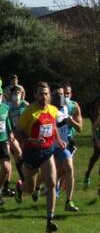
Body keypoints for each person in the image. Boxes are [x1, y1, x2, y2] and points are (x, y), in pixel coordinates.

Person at [14, 82, 66, 232]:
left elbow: (53, 125)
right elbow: (17, 133)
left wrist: (58, 139)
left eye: (46, 93)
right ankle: (20, 187)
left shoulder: (53, 109)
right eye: (40, 94)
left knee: (50, 183)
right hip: (31, 152)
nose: (44, 96)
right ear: (35, 95)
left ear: (50, 95)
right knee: (29, 189)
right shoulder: (29, 112)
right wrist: (32, 140)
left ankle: (50, 220)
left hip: (47, 151)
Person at [51, 84, 82, 212]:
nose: (61, 97)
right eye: (58, 94)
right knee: (50, 175)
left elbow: (80, 128)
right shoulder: (48, 109)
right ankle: (35, 188)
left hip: (63, 146)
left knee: (69, 169)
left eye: (62, 94)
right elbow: (54, 125)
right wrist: (64, 122)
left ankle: (68, 201)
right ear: (52, 96)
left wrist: (71, 121)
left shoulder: (68, 108)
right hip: (48, 146)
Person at [6, 85, 29, 195]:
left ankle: (25, 180)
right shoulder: (7, 105)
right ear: (11, 95)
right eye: (15, 93)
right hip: (12, 133)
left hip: (23, 134)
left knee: (22, 157)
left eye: (19, 93)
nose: (17, 95)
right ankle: (24, 180)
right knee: (17, 155)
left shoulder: (24, 104)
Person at [84, 96, 100, 187]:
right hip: (98, 134)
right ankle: (87, 174)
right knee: (96, 155)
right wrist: (97, 140)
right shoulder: (98, 100)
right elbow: (94, 127)